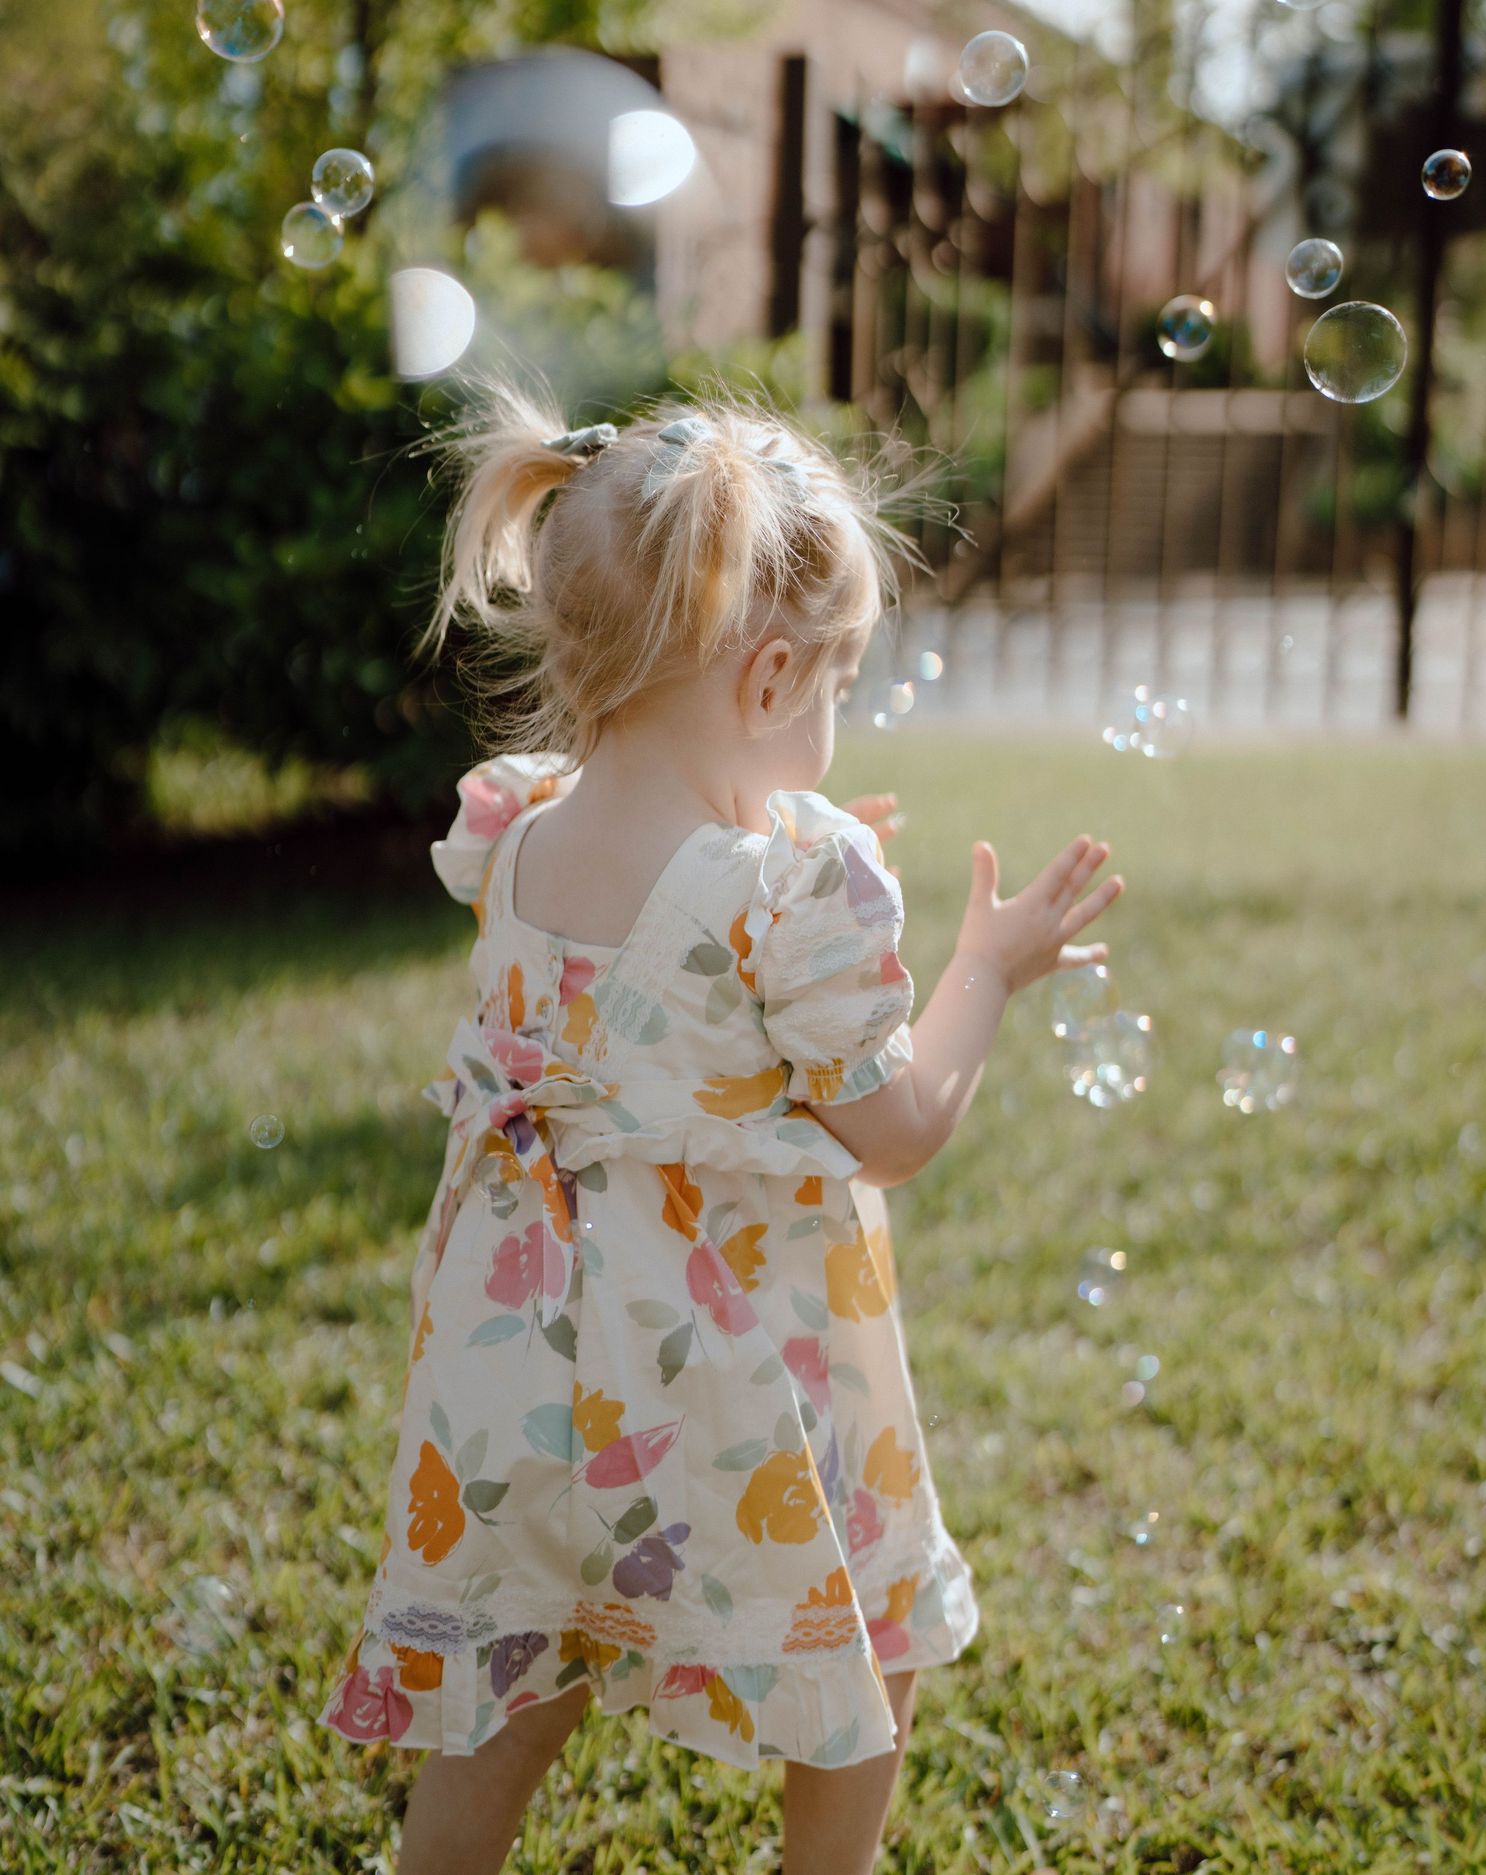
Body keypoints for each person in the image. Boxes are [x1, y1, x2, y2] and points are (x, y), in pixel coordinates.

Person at [317, 379, 1125, 1875]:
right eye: (832, 686)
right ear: (765, 687)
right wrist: (981, 970)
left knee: (514, 1690)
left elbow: (652, 983)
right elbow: (895, 1129)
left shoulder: (516, 829)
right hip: (723, 1389)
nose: (832, 717)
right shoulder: (792, 897)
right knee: (865, 1659)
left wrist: (785, 876)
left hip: (512, 1387)